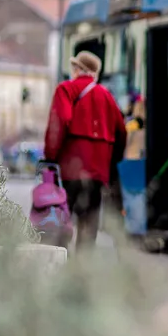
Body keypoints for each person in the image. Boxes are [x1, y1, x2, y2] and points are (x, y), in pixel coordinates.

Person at [44, 51, 127, 252]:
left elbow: (59, 122)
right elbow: (121, 131)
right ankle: (83, 269)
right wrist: (111, 161)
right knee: (89, 222)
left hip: (71, 168)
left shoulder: (66, 89)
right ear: (94, 75)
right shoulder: (107, 96)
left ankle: (60, 260)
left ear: (79, 70)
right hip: (98, 171)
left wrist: (50, 157)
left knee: (62, 219)